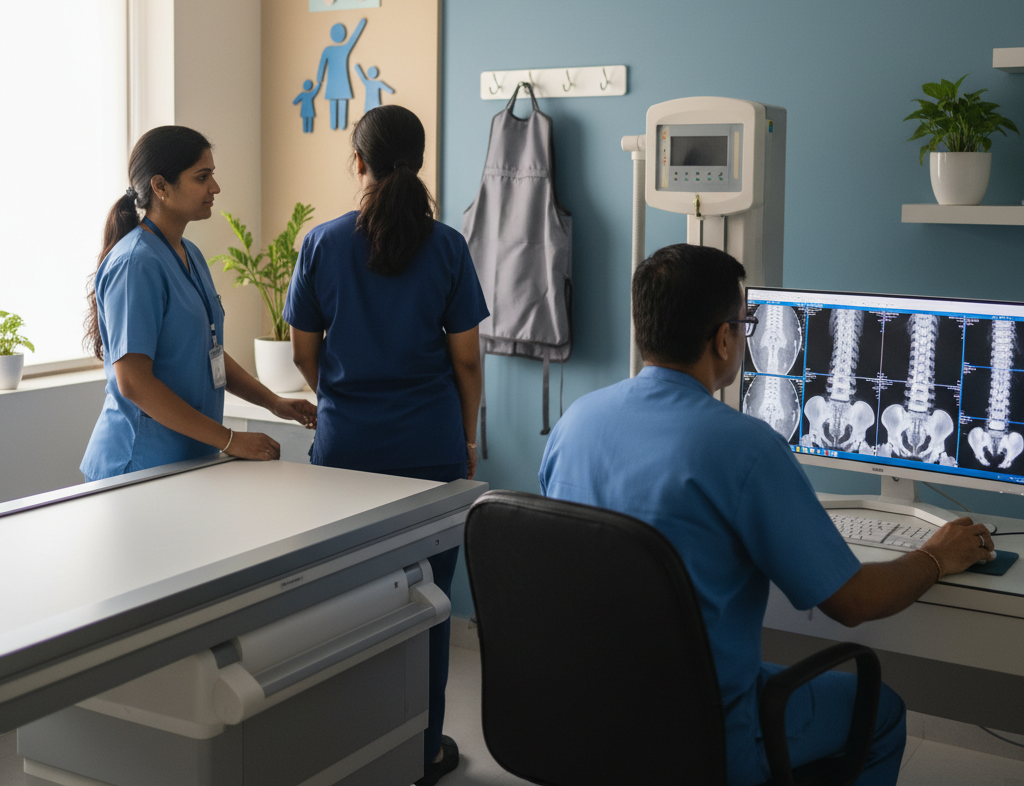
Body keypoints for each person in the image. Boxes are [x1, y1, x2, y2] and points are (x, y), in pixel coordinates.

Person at [538, 243, 997, 786]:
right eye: (744, 323)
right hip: (704, 737)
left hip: (588, 717)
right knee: (882, 712)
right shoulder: (745, 448)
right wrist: (934, 557)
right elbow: (852, 602)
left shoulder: (575, 423)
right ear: (724, 338)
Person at [284, 105, 488, 786]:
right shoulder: (449, 247)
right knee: (427, 606)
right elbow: (466, 363)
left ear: (358, 161)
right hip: (430, 454)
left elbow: (304, 353)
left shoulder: (321, 244)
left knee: (346, 606)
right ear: (420, 161)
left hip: (345, 454)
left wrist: (342, 395)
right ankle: (425, 748)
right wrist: (468, 437)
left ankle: (350, 750)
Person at [82, 126, 317, 482]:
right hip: (138, 465)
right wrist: (230, 439)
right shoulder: (136, 263)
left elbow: (211, 352)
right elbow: (132, 382)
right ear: (160, 187)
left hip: (187, 459)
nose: (215, 188)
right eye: (202, 177)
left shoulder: (188, 253)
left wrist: (273, 402)